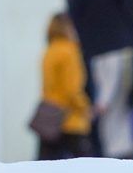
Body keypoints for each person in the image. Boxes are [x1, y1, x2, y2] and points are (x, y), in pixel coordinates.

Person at [37, 13, 94, 160]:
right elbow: (72, 89)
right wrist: (85, 107)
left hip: (50, 118)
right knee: (87, 168)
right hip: (71, 118)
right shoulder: (69, 51)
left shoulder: (49, 51)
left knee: (44, 168)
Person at [91, 47, 133, 159]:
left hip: (112, 103)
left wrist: (103, 101)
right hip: (109, 101)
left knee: (117, 137)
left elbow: (112, 78)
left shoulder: (111, 51)